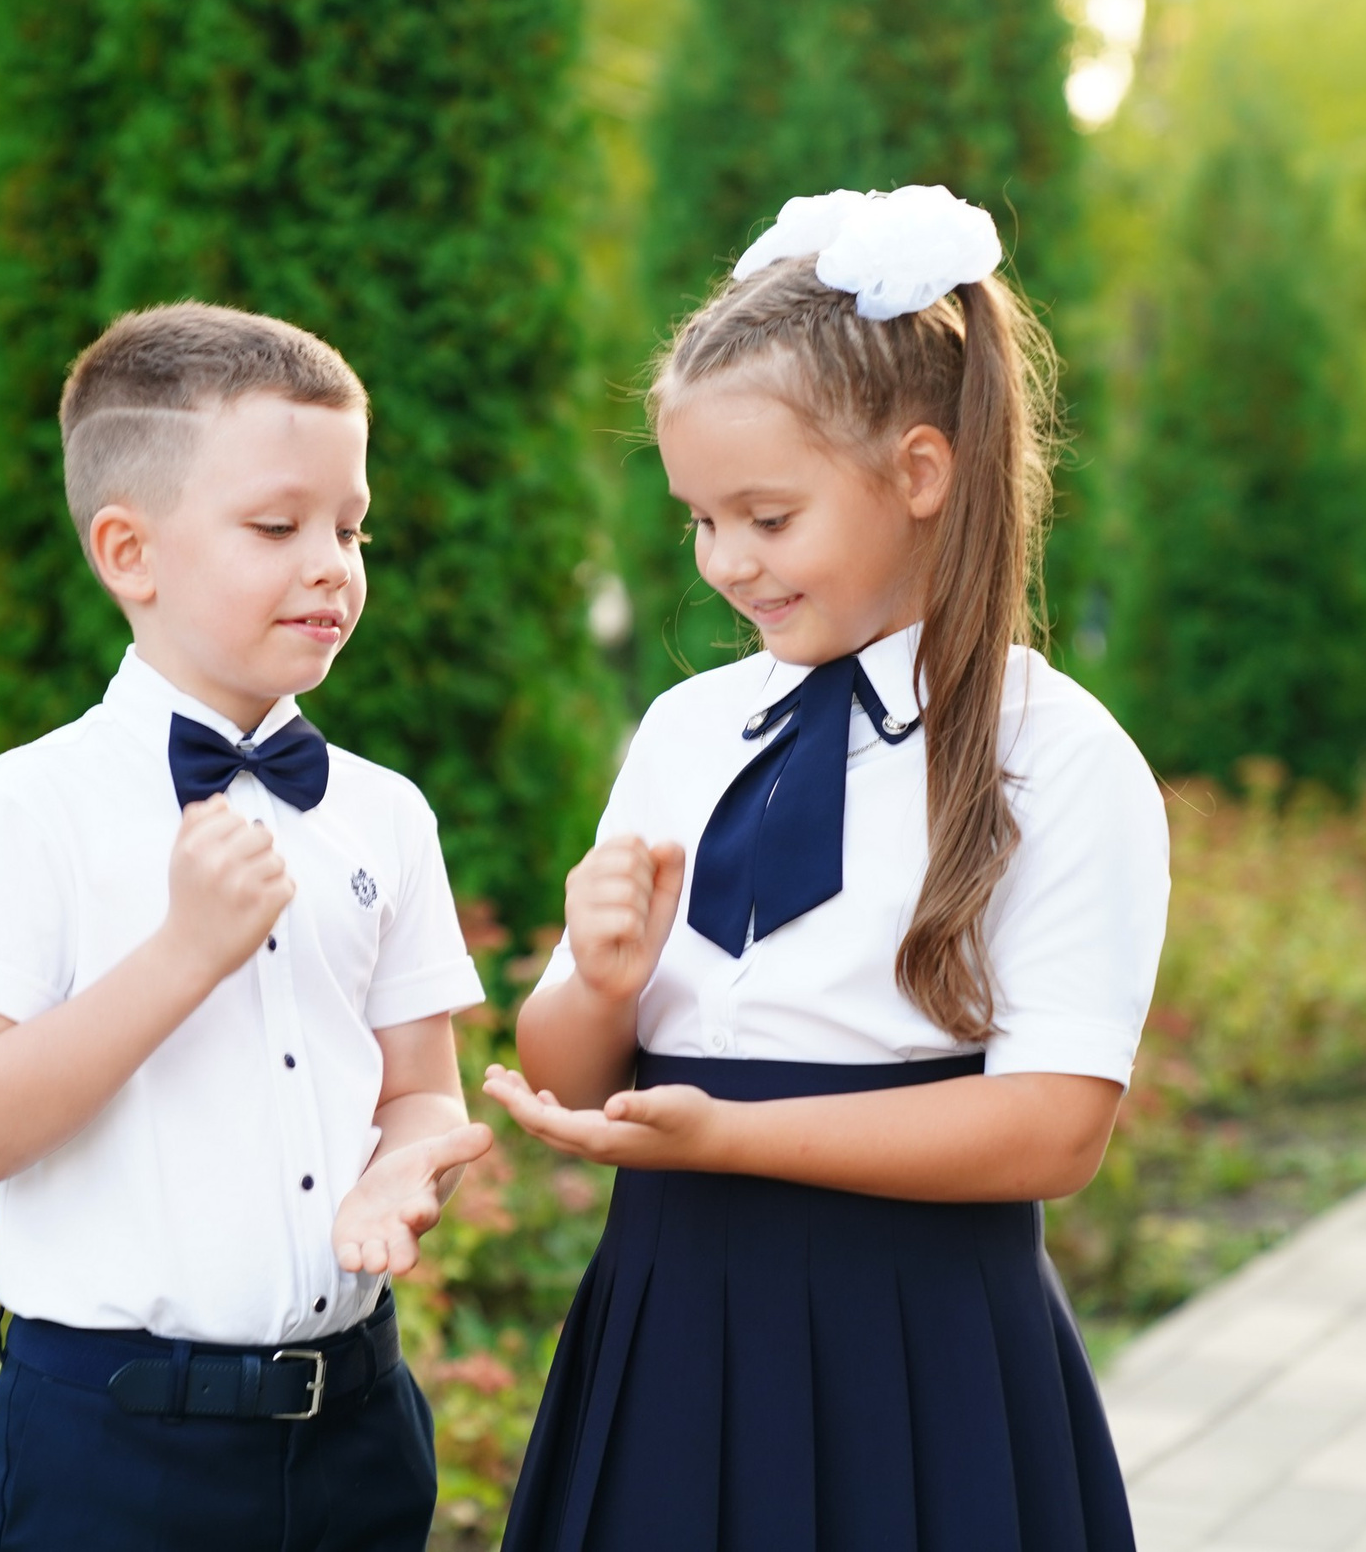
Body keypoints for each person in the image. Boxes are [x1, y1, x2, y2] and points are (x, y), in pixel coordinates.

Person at [486, 188, 1169, 1552]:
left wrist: (731, 1136)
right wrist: (603, 982)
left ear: (921, 473)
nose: (726, 561)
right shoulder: (687, 727)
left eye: (767, 515)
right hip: (669, 1319)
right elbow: (567, 1071)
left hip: (916, 1348)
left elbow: (1056, 1128)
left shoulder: (1058, 756)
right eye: (699, 520)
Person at [0, 302, 495, 1552]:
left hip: (358, 1423)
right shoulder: (30, 804)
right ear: (131, 551)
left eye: (351, 526)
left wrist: (407, 1163)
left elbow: (422, 1093)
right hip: (113, 1445)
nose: (331, 562)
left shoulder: (384, 814)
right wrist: (182, 955)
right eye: (278, 527)